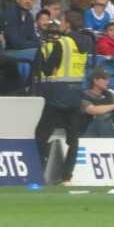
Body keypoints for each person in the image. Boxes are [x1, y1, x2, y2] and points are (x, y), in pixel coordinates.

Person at [33, 18, 88, 182]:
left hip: (58, 95)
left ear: (68, 25)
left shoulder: (62, 43)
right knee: (73, 139)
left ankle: (41, 169)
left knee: (41, 134)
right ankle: (66, 176)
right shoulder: (85, 44)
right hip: (76, 94)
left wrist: (51, 67)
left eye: (63, 22)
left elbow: (47, 69)